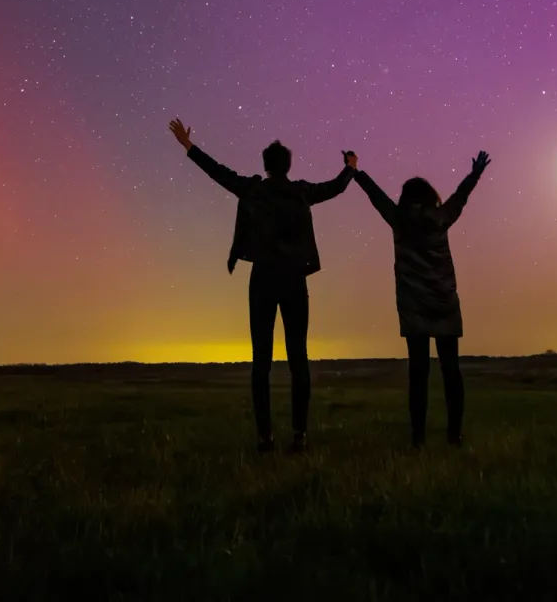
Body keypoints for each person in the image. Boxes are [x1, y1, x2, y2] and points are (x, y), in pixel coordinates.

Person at [169, 118, 357, 453]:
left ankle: (265, 438)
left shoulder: (254, 190)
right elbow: (335, 187)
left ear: (265, 166)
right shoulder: (301, 192)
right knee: (298, 357)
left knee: (262, 361)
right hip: (294, 280)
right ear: (288, 166)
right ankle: (299, 435)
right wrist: (350, 168)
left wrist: (188, 146)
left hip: (264, 279)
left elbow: (219, 173)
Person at [353, 150, 489, 447]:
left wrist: (355, 171)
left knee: (418, 373)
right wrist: (475, 174)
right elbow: (460, 196)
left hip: (413, 305)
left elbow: (375, 196)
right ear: (430, 196)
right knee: (451, 370)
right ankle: (455, 435)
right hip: (444, 303)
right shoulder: (441, 218)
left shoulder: (398, 219)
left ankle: (418, 437)